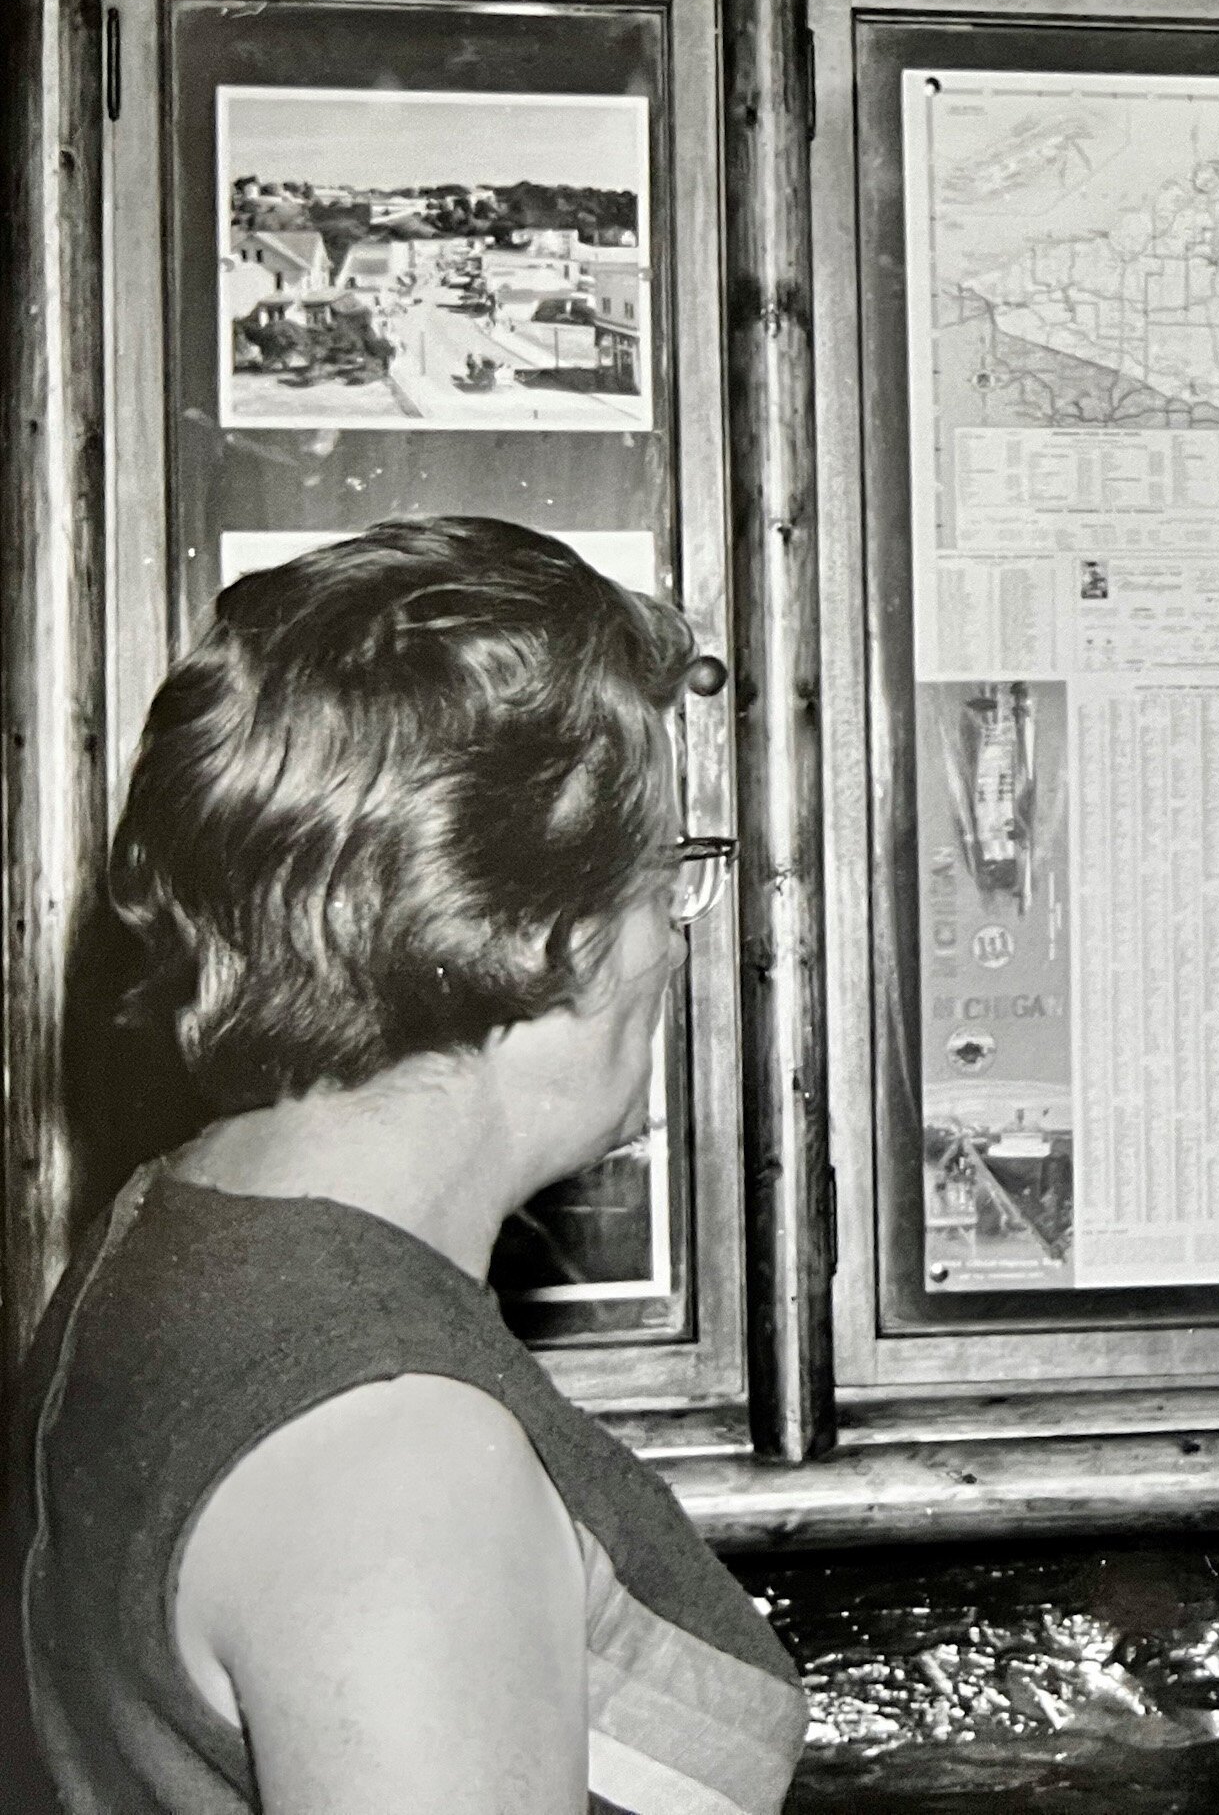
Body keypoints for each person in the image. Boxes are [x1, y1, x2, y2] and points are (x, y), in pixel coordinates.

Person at [12, 518, 806, 1815]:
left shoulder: (179, 1222)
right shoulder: (398, 1460)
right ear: (534, 927)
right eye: (662, 874)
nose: (671, 941)